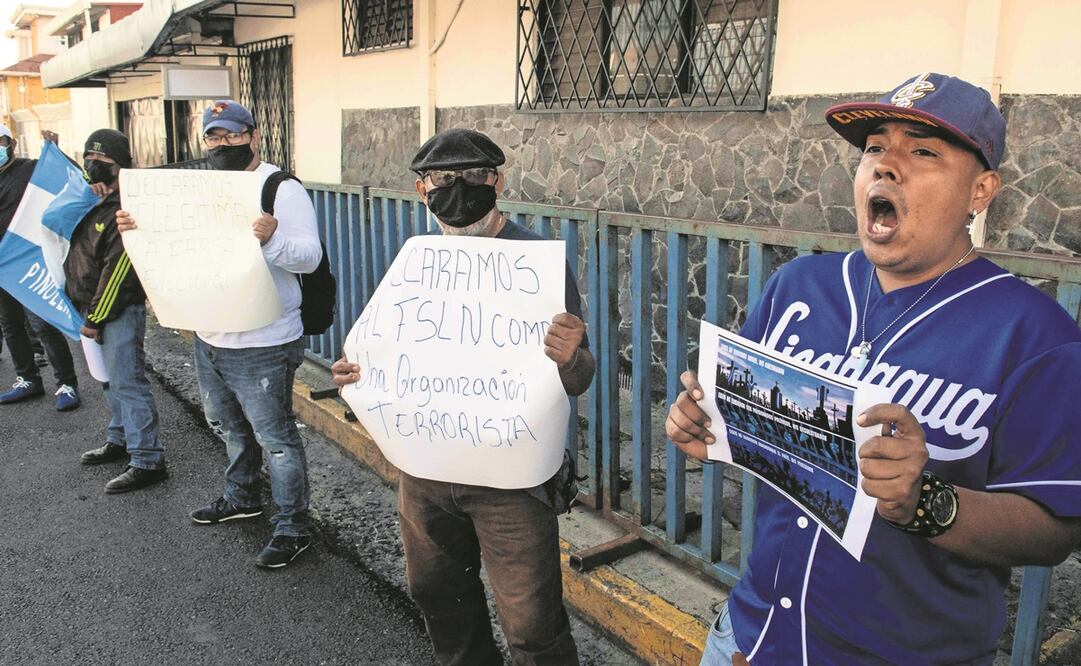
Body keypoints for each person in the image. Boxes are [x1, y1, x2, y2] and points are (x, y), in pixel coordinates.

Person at [666, 73, 1081, 665]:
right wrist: (705, 423)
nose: (887, 165)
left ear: (981, 191)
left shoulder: (1036, 336)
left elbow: (1056, 530)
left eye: (923, 151)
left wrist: (926, 501)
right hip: (752, 635)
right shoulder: (798, 287)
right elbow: (747, 428)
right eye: (875, 148)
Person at [330, 128, 596, 665]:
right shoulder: (415, 263)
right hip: (425, 475)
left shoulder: (536, 263)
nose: (459, 189)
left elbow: (578, 377)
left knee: (532, 624)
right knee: (438, 596)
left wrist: (572, 356)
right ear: (419, 190)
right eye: (443, 179)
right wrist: (357, 374)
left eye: (474, 177)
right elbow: (393, 353)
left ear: (498, 181)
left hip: (511, 483)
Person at [116, 101, 322, 568]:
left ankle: (293, 526)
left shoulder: (278, 187)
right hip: (210, 334)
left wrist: (273, 239)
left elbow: (308, 258)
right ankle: (242, 496)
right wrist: (137, 231)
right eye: (214, 136)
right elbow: (176, 244)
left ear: (252, 134)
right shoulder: (200, 187)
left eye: (232, 135)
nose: (223, 144)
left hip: (264, 339)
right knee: (228, 425)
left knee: (276, 438)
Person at [67, 129, 167, 493]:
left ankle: (147, 459)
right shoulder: (90, 199)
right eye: (88, 159)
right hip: (88, 307)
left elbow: (119, 271)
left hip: (115, 311)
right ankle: (120, 438)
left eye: (102, 163)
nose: (92, 167)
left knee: (127, 381)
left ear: (119, 166)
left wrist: (95, 318)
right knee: (108, 380)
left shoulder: (129, 207)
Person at [0, 125, 81, 411]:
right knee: (11, 325)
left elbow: (69, 177)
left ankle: (67, 383)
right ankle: (27, 379)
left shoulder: (29, 169)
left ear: (10, 143)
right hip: (2, 268)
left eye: (0, 141)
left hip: (30, 262)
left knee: (42, 323)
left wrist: (56, 151)